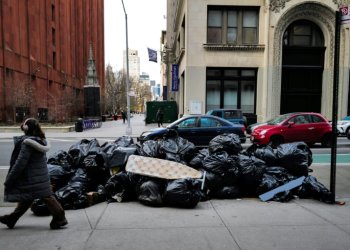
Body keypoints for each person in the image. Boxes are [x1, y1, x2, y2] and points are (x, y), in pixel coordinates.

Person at [0, 118, 68, 230]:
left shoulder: (27, 143)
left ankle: (60, 217)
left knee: (46, 196)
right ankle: (11, 218)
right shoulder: (39, 140)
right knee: (29, 197)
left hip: (31, 177)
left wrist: (10, 178)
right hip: (40, 175)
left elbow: (20, 163)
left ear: (26, 128)